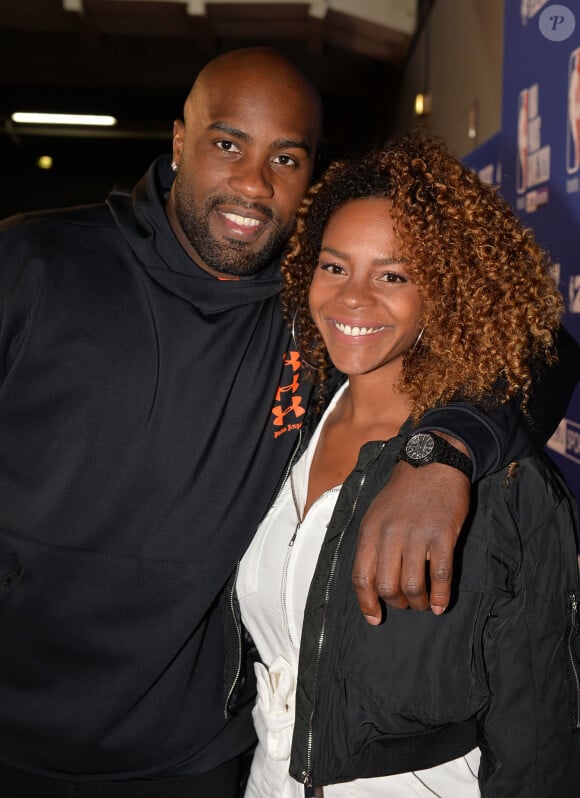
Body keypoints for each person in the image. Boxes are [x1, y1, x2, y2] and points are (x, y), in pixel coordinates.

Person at [0, 46, 577, 796]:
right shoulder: (34, 263)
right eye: (227, 143)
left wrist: (443, 451)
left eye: (286, 157)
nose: (251, 181)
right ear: (180, 142)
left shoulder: (312, 311)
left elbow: (542, 352)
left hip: (195, 755)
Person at [234, 131, 580, 797]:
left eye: (393, 275)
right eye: (334, 267)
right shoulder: (293, 420)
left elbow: (541, 740)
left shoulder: (505, 484)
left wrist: (437, 453)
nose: (352, 299)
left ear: (447, 292)